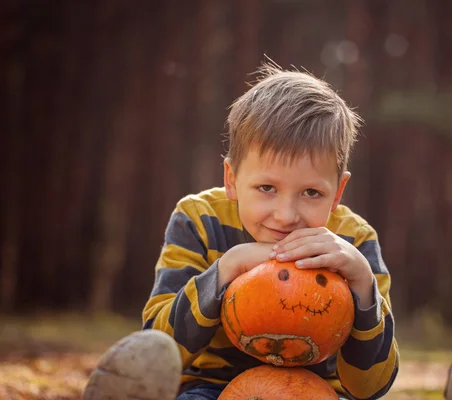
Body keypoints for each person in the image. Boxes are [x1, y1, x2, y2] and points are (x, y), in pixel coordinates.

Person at [84, 62, 399, 400]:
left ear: (338, 192)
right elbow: (159, 348)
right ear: (231, 179)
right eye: (266, 187)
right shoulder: (199, 220)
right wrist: (224, 271)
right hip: (210, 390)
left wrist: (364, 289)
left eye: (311, 193)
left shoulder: (353, 242)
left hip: (319, 393)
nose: (285, 215)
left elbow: (372, 387)